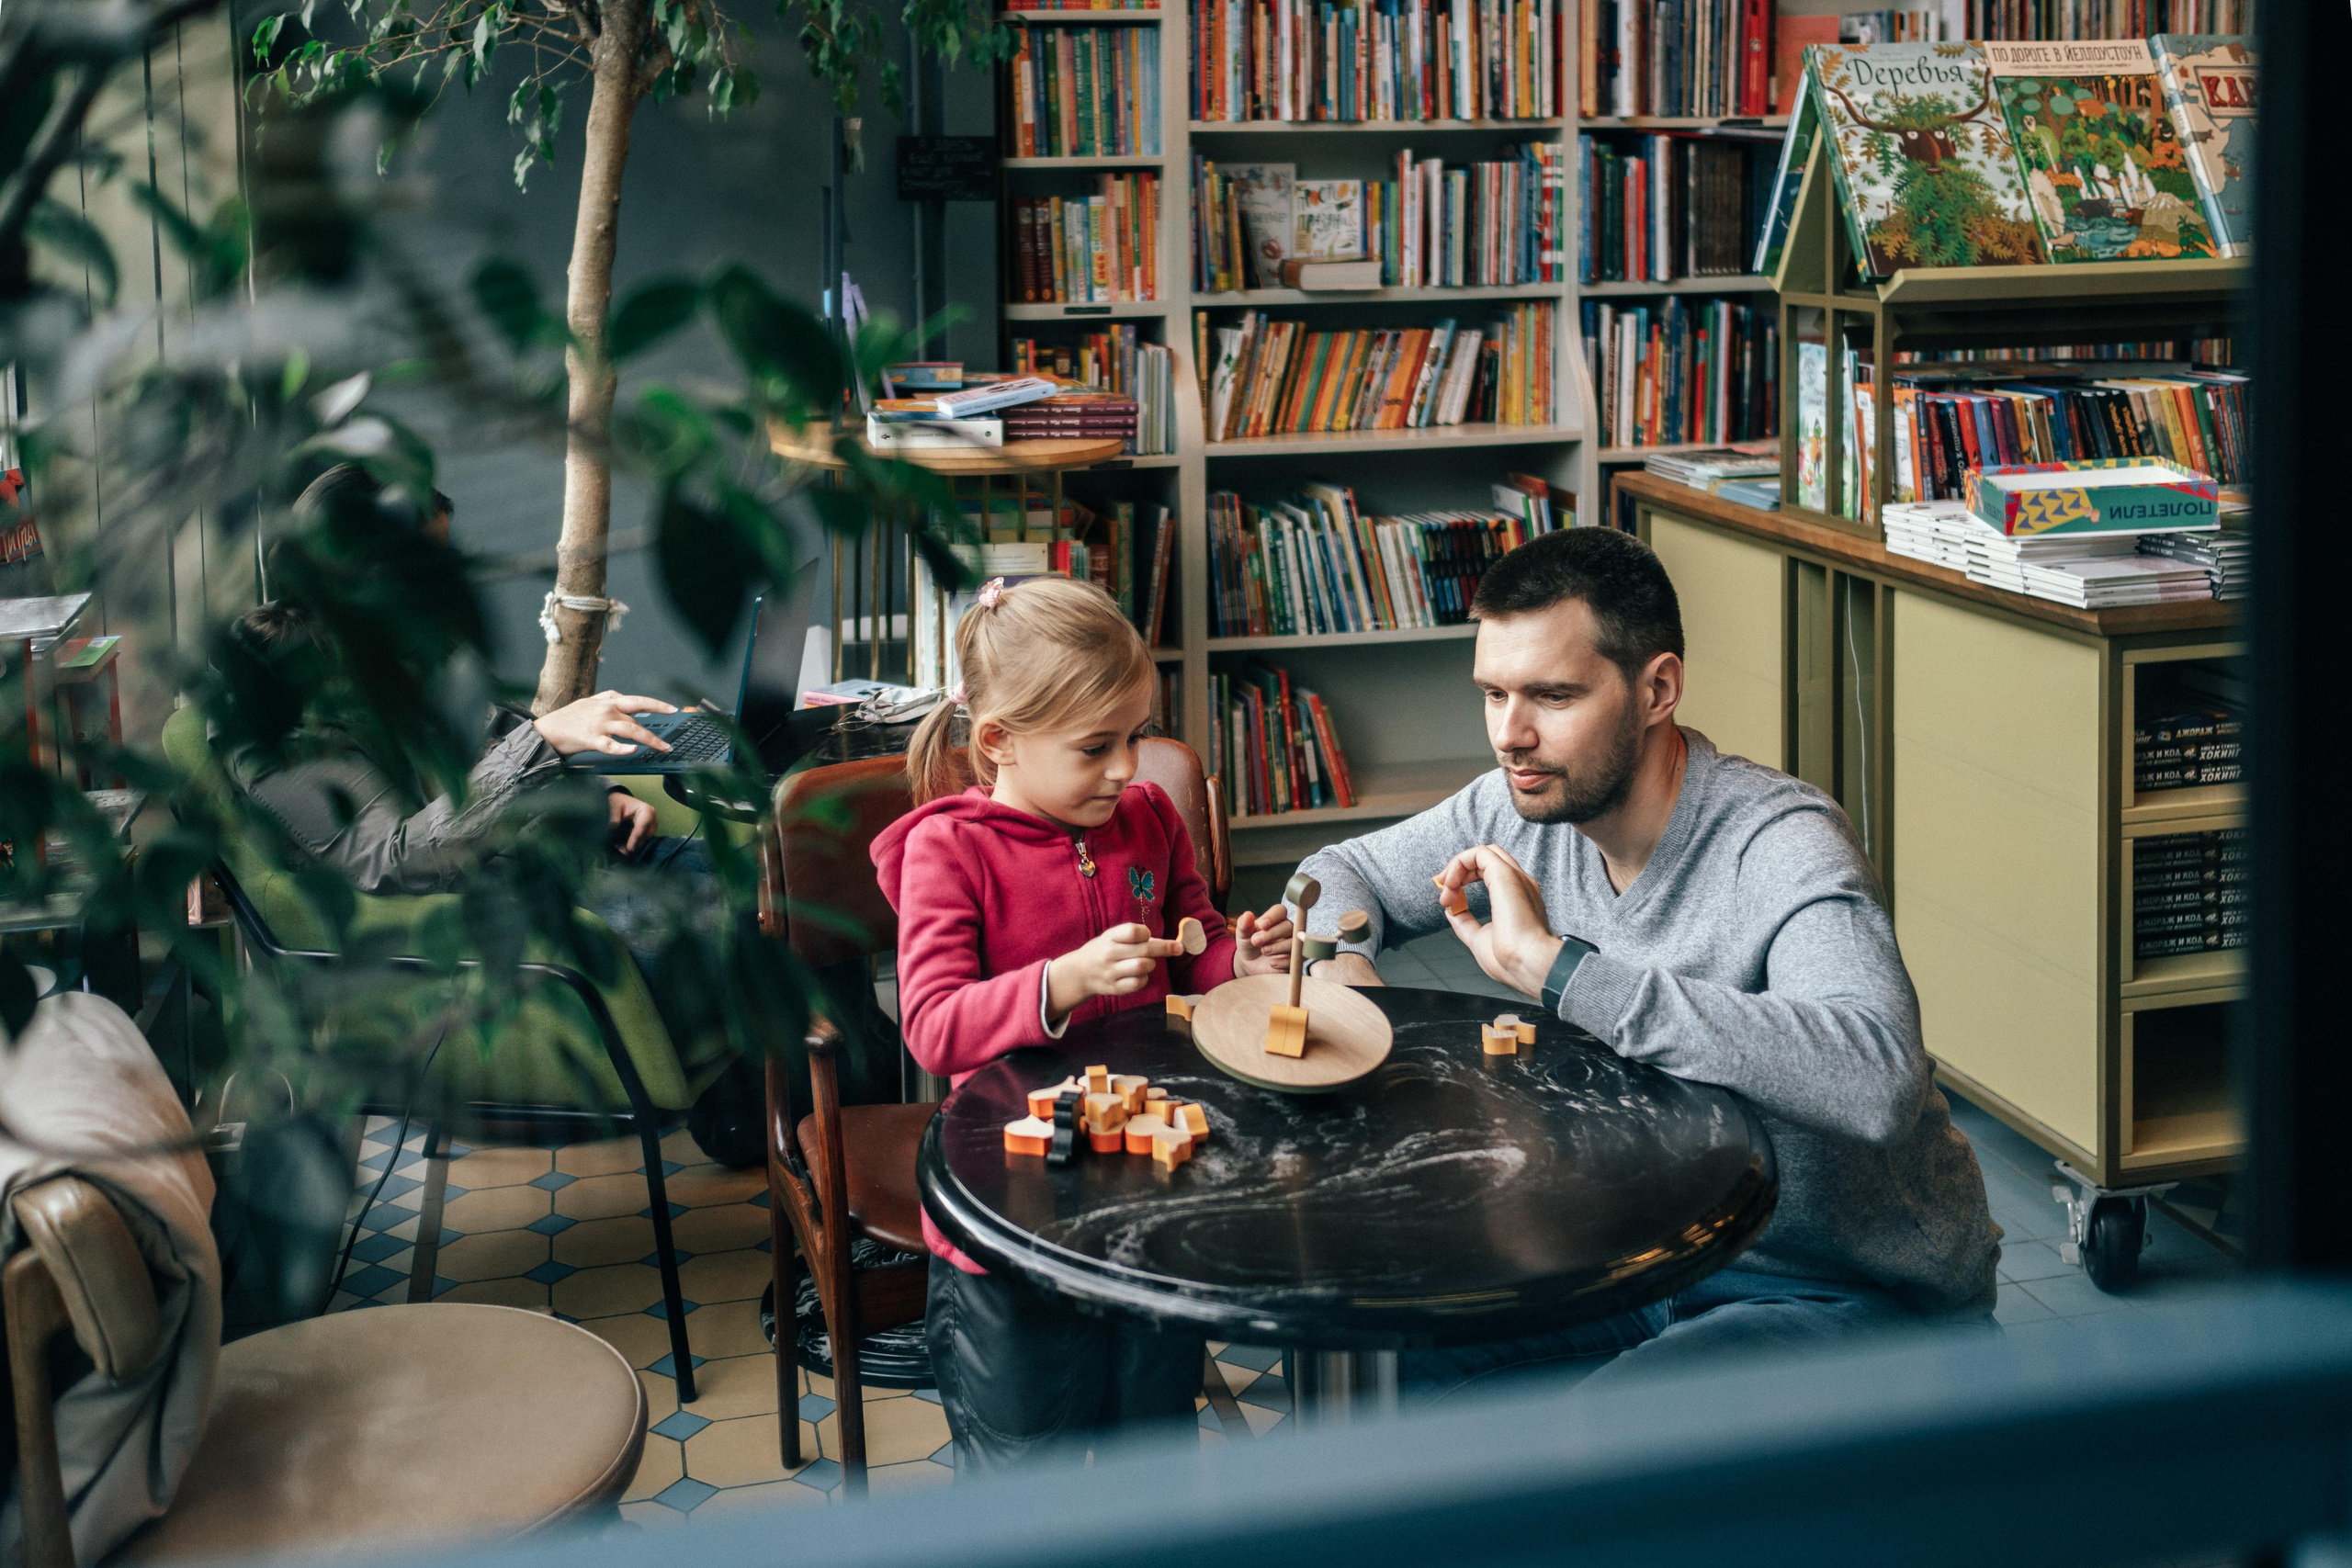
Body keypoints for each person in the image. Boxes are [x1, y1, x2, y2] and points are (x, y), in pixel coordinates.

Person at [1293, 527, 1998, 1394]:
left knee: (1599, 1444)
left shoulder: (1781, 841)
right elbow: (1334, 874)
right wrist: (1342, 979)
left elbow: (1876, 1078)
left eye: (1552, 695)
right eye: (1493, 693)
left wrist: (1560, 970)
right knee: (1375, 1350)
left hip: (1841, 1291)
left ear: (1657, 688)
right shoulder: (1521, 802)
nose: (1510, 735)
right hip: (1640, 1259)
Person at [872, 576, 1294, 1473]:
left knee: (1151, 1434)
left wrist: (1241, 964)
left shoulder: (1149, 820)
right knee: (1027, 1460)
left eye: (1137, 735)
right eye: (1096, 746)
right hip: (1009, 1207)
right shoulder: (949, 851)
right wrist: (1059, 982)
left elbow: (1196, 944)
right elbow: (934, 1027)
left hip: (1147, 1191)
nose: (1126, 768)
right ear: (999, 741)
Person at [222, 464, 763, 1165]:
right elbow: (395, 858)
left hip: (572, 874)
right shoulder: (282, 712)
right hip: (515, 942)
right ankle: (801, 1145)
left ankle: (775, 1127)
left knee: (782, 885)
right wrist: (545, 741)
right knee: (761, 923)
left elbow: (489, 737)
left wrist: (597, 795)